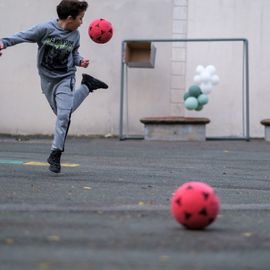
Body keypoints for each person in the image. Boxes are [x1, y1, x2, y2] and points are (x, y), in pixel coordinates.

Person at [0, 0, 108, 173]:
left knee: (63, 115)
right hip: (47, 79)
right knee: (62, 113)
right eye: (80, 18)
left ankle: (55, 153)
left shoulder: (75, 34)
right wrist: (3, 42)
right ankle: (87, 85)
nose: (82, 22)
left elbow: (73, 53)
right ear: (70, 18)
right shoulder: (45, 29)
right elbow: (23, 35)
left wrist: (80, 61)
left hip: (66, 78)